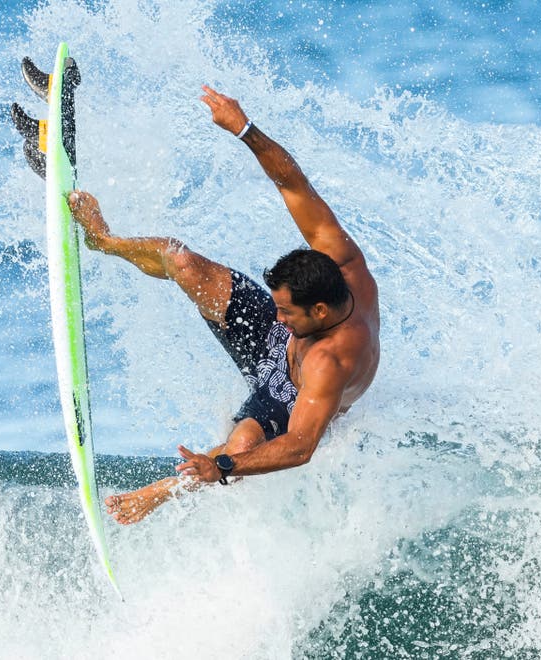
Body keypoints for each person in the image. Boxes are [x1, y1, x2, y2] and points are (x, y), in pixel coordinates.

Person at [67, 85, 380, 524]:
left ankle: (159, 492)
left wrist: (223, 467)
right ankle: (104, 241)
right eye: (279, 306)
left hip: (293, 392)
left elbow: (301, 445)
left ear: (321, 312)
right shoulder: (341, 260)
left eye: (287, 312)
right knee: (183, 261)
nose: (278, 316)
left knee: (239, 448)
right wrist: (245, 129)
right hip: (282, 349)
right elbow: (292, 182)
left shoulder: (332, 360)